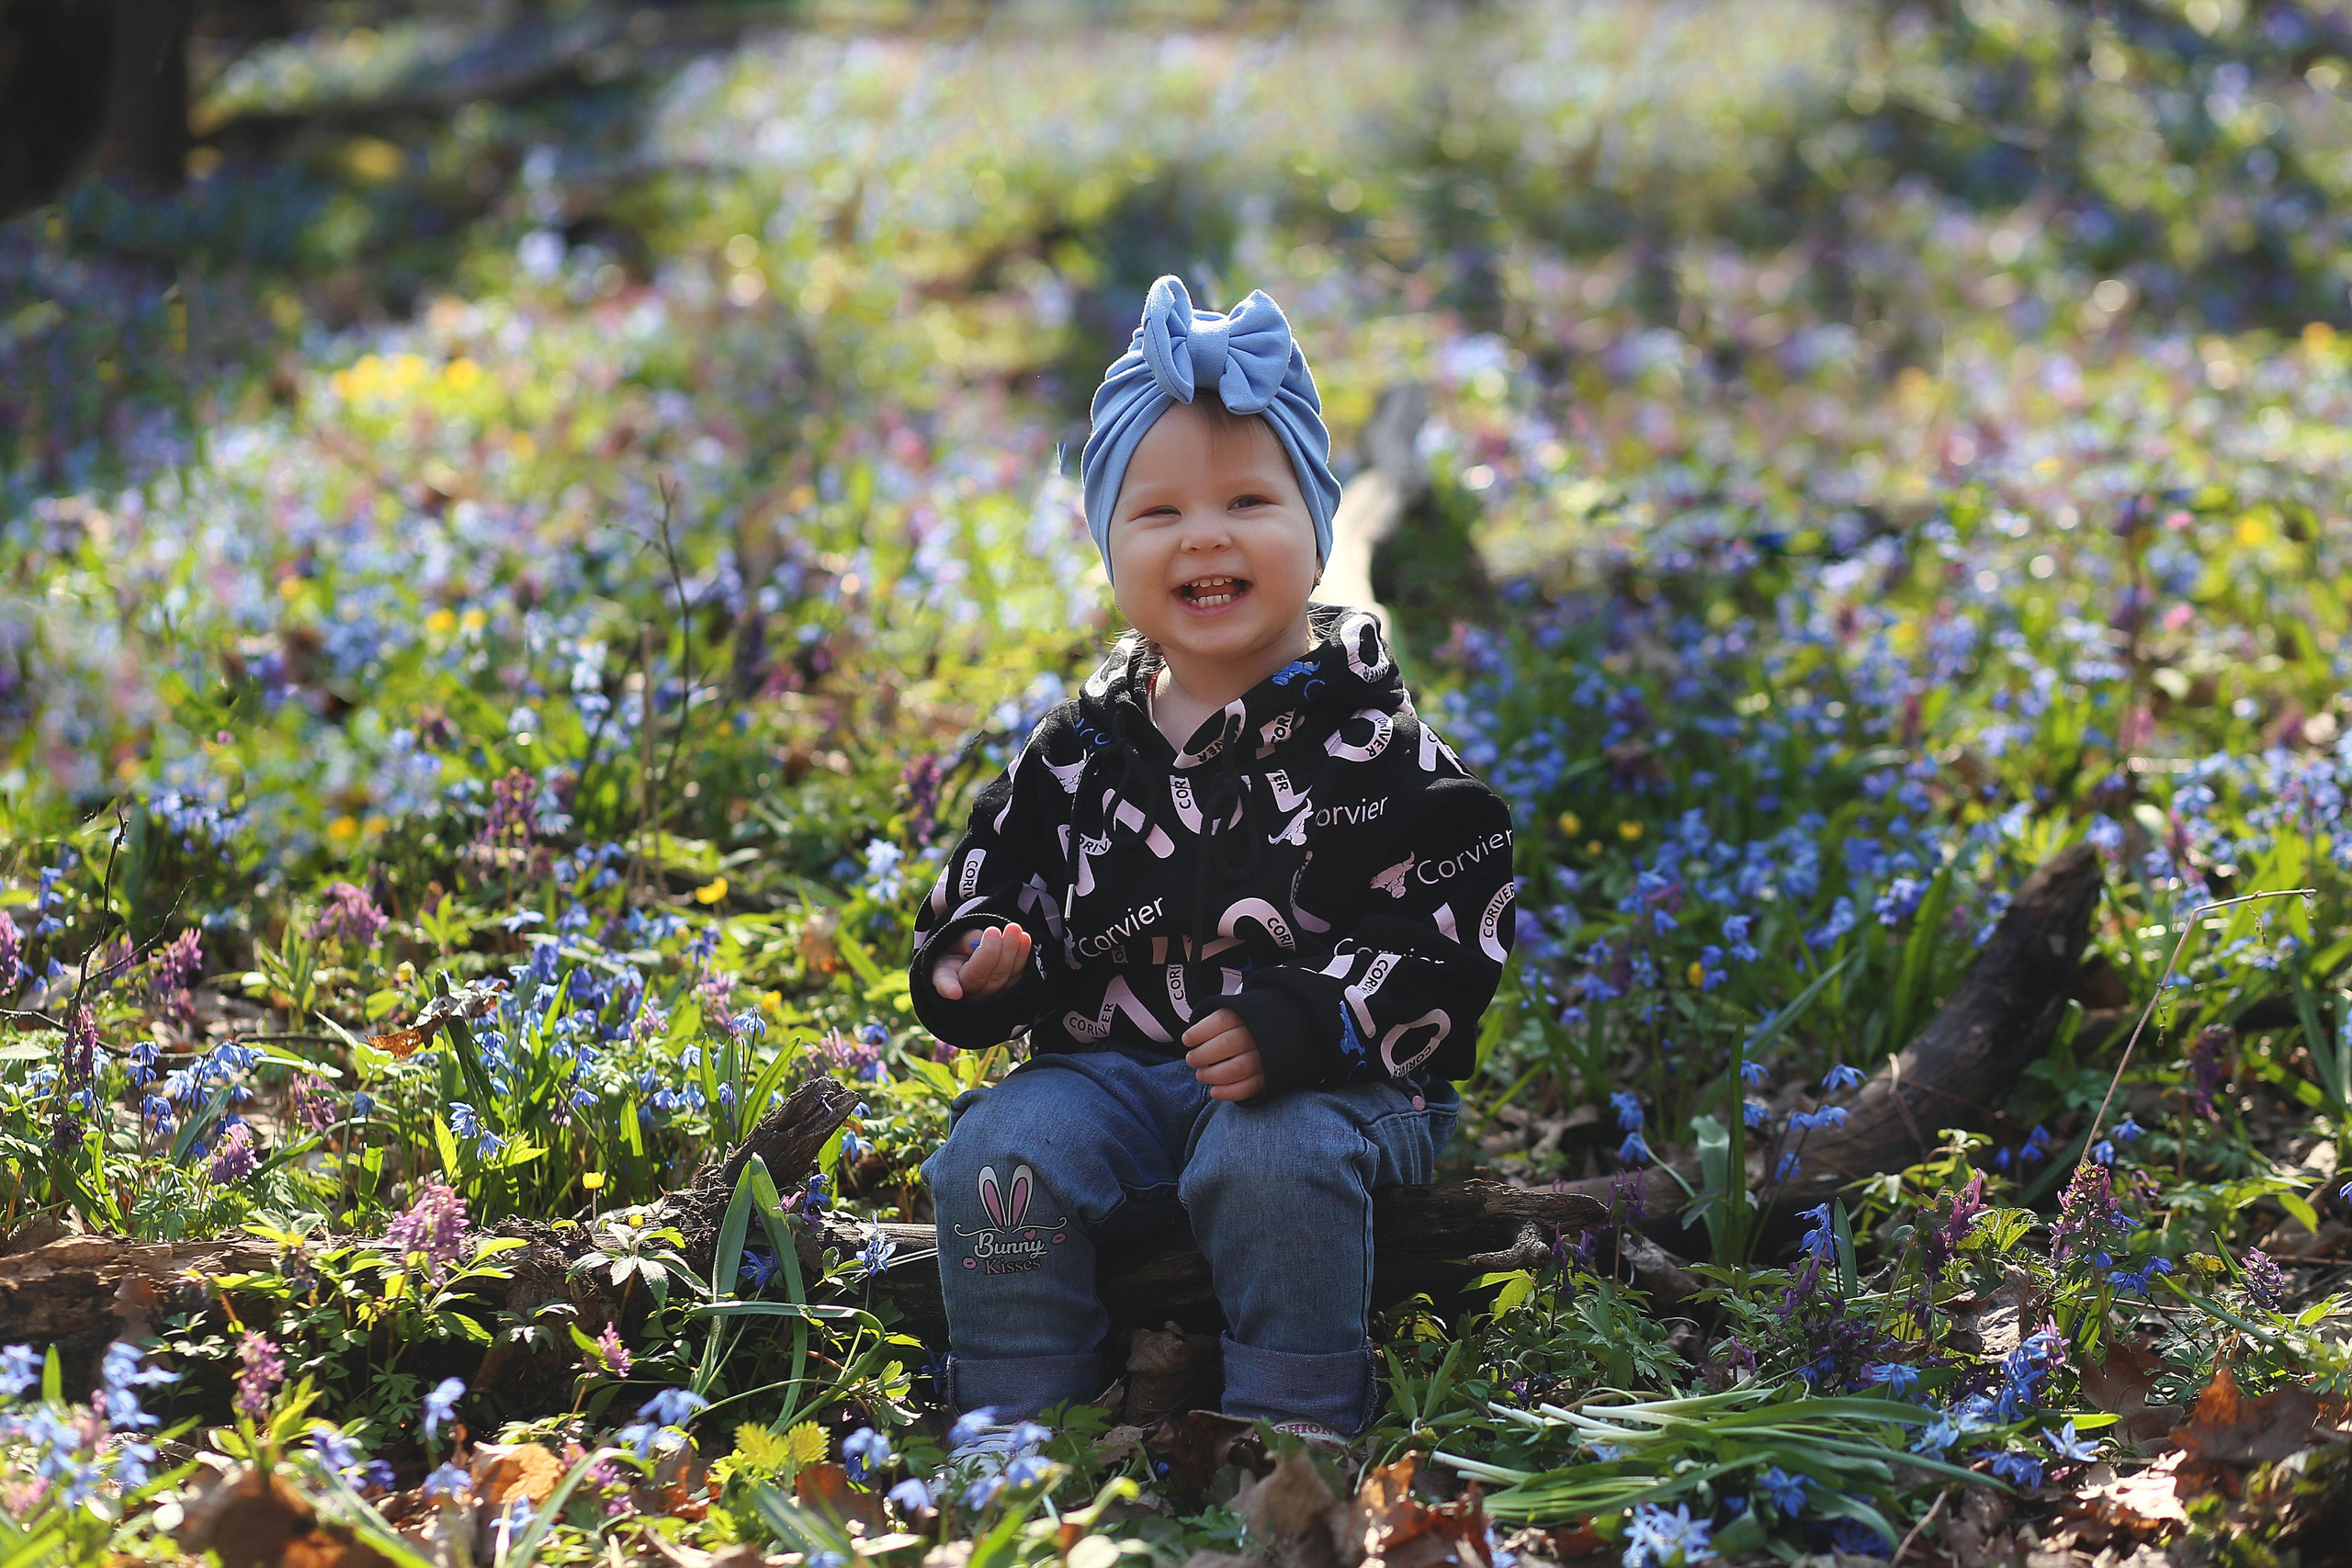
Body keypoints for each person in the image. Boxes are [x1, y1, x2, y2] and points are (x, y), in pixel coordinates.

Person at [908, 275, 1517, 1447]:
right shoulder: (1079, 748)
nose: (1205, 534)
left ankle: (1290, 1432)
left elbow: (1453, 932)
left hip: (1334, 1084)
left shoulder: (1374, 749)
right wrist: (975, 966)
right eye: (1157, 514)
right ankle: (1016, 1418)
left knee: (1272, 1159)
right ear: (1109, 548)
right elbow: (996, 879)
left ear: (1316, 529)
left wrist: (1311, 1025)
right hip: (1111, 1075)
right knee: (998, 1156)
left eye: (1249, 498)